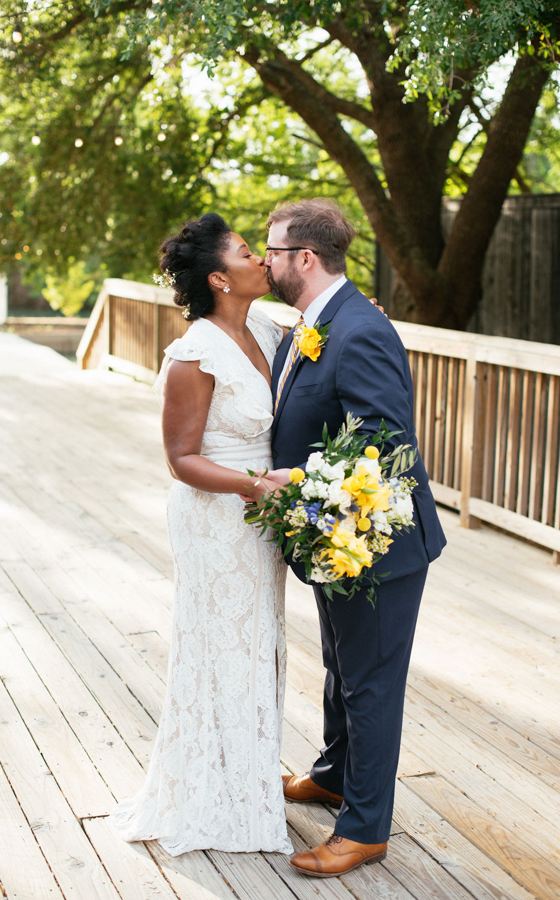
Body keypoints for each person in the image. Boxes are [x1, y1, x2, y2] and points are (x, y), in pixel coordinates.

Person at [259, 198, 447, 878]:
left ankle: (364, 827)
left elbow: (384, 441)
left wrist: (301, 476)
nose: (264, 260)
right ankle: (334, 775)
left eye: (273, 251)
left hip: (377, 545)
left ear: (304, 259)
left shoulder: (358, 330)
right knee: (342, 673)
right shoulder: (310, 324)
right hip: (333, 536)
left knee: (369, 683)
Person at [110, 212, 293, 856]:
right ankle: (209, 790)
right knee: (219, 644)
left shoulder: (271, 330)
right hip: (218, 518)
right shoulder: (195, 352)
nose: (263, 260)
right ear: (220, 277)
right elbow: (181, 459)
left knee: (257, 642)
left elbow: (327, 338)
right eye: (249, 253)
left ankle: (246, 776)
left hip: (263, 520)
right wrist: (253, 485)